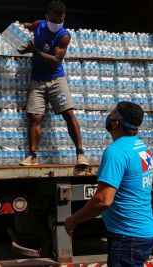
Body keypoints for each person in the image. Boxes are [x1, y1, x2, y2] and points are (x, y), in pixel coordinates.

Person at [64, 101, 153, 267]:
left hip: (128, 236)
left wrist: (74, 219)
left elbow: (103, 200)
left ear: (116, 123)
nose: (108, 117)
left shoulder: (116, 151)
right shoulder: (142, 148)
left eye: (112, 114)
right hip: (145, 231)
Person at [17, 0, 89, 166]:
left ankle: (80, 154)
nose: (58, 23)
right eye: (55, 20)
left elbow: (56, 61)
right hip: (37, 81)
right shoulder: (39, 25)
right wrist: (15, 29)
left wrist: (35, 51)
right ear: (47, 16)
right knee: (35, 117)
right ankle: (33, 157)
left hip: (56, 80)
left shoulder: (63, 35)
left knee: (68, 114)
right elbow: (25, 26)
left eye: (61, 20)